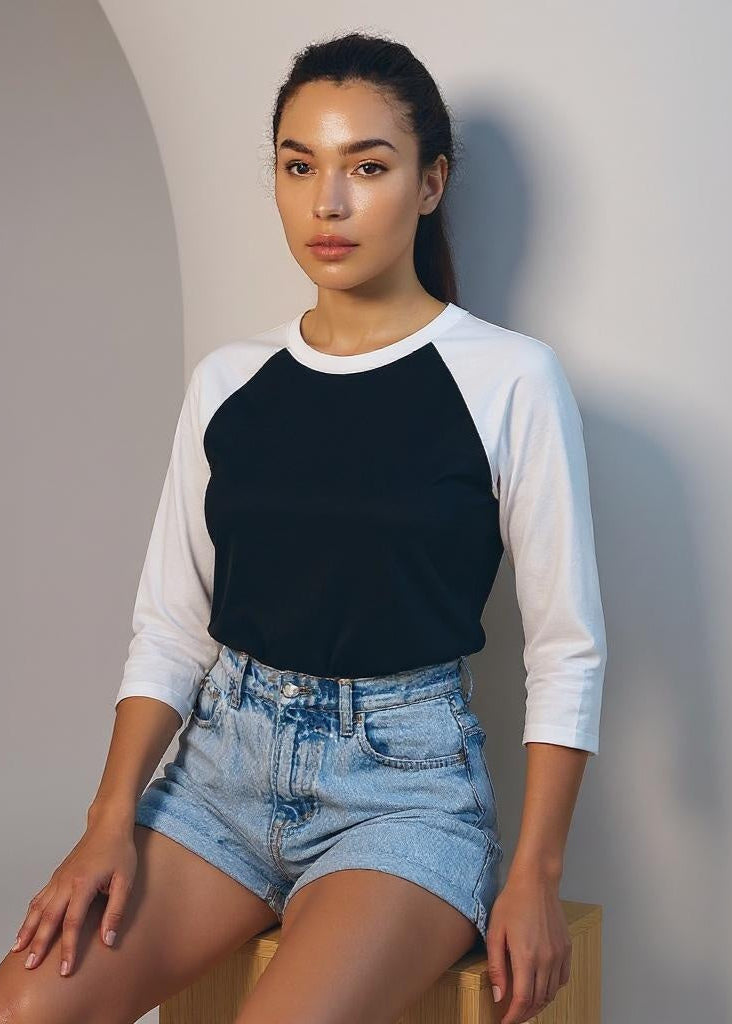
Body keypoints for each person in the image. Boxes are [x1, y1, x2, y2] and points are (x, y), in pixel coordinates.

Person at [0, 30, 607, 1024]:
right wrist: (108, 820)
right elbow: (171, 628)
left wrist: (537, 875)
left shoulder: (509, 378)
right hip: (216, 778)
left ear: (430, 183)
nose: (327, 202)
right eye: (298, 166)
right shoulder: (228, 382)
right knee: (25, 1007)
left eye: (367, 167)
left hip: (402, 796)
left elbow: (566, 651)